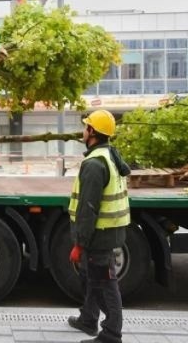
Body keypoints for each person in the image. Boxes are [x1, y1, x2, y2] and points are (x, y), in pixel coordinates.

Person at [67, 109, 131, 343]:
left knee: (104, 282)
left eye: (86, 127)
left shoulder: (95, 164)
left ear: (92, 132)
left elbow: (88, 208)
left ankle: (112, 333)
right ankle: (88, 318)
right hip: (107, 231)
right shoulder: (110, 154)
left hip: (99, 235)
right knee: (92, 277)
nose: (83, 130)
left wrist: (79, 244)